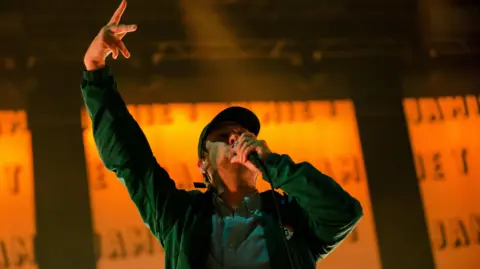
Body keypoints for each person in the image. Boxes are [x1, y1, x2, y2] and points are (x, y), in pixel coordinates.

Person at [81, 1, 363, 269]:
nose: (236, 137)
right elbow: (131, 159)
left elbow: (343, 213)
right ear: (203, 164)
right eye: (224, 134)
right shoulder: (181, 215)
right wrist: (95, 73)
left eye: (243, 133)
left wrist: (274, 164)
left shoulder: (289, 215)